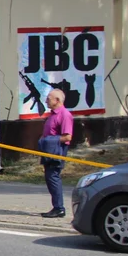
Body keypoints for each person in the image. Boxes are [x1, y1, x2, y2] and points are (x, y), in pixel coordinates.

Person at [38, 88, 72, 218]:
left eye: (49, 98)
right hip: (49, 151)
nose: (46, 100)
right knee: (49, 178)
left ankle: (59, 208)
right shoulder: (53, 115)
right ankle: (56, 206)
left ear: (57, 100)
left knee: (53, 177)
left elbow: (67, 137)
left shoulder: (64, 115)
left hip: (56, 151)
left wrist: (48, 141)